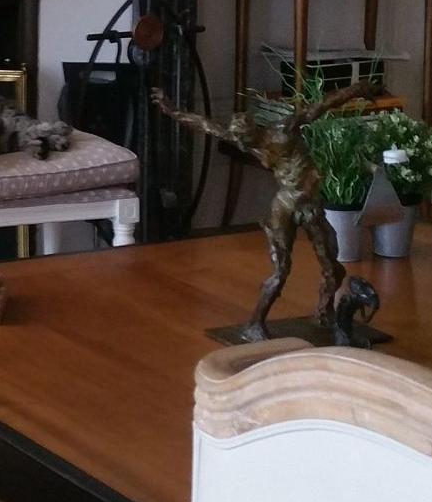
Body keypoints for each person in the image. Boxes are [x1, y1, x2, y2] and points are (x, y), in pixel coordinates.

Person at [154, 83, 364, 340]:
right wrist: (170, 108)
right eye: (239, 140)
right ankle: (254, 324)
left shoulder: (284, 129)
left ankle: (324, 312)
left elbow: (321, 105)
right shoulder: (244, 141)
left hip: (309, 203)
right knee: (280, 270)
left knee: (333, 266)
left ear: (256, 130)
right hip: (285, 204)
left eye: (246, 139)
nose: (243, 144)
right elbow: (203, 124)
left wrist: (357, 89)